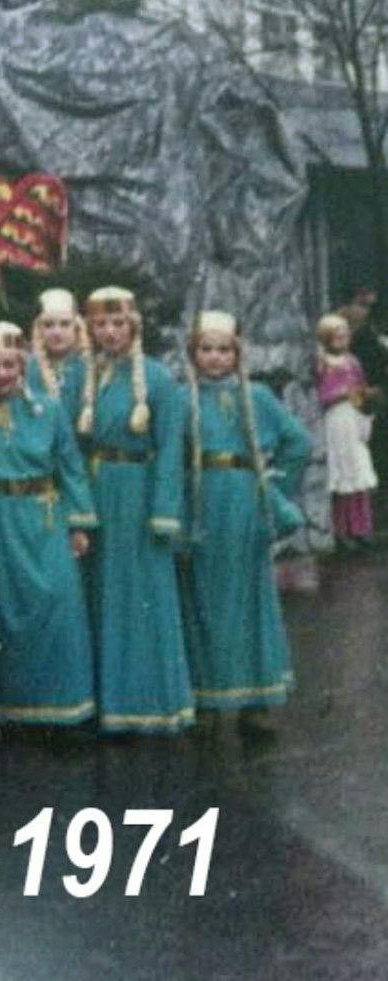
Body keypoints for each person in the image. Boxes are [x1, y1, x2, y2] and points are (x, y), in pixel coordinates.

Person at [0, 322, 97, 729]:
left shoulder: (48, 409)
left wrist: (79, 523)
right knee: (3, 610)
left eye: (8, 365)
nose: (1, 374)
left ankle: (65, 711)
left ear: (22, 365)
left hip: (44, 516)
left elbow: (70, 466)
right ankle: (7, 712)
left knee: (57, 605)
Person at [184, 311, 311, 734]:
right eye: (206, 349)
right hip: (200, 501)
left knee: (248, 598)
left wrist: (274, 486)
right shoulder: (183, 398)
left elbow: (298, 441)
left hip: (242, 500)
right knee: (200, 601)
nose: (215, 359)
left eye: (223, 350)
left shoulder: (255, 397)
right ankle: (206, 697)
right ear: (193, 353)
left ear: (237, 353)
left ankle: (255, 700)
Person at [76, 287, 193, 735]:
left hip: (139, 496)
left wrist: (164, 511)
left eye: (118, 323)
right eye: (101, 324)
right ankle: (113, 706)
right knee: (104, 596)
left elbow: (169, 450)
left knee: (142, 597)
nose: (109, 333)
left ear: (134, 326)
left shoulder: (159, 380)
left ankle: (154, 706)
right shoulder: (89, 377)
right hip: (99, 491)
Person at [317, 313, 379, 550]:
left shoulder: (353, 361)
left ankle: (362, 527)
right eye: (337, 336)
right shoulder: (323, 362)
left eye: (345, 335)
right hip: (337, 418)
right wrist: (341, 392)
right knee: (342, 473)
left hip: (354, 415)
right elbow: (322, 395)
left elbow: (360, 386)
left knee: (359, 470)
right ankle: (342, 529)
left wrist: (366, 394)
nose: (342, 340)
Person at [27, 288, 88, 415]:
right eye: (48, 325)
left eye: (65, 324)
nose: (57, 332)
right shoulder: (27, 368)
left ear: (76, 326)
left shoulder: (90, 366)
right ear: (38, 328)